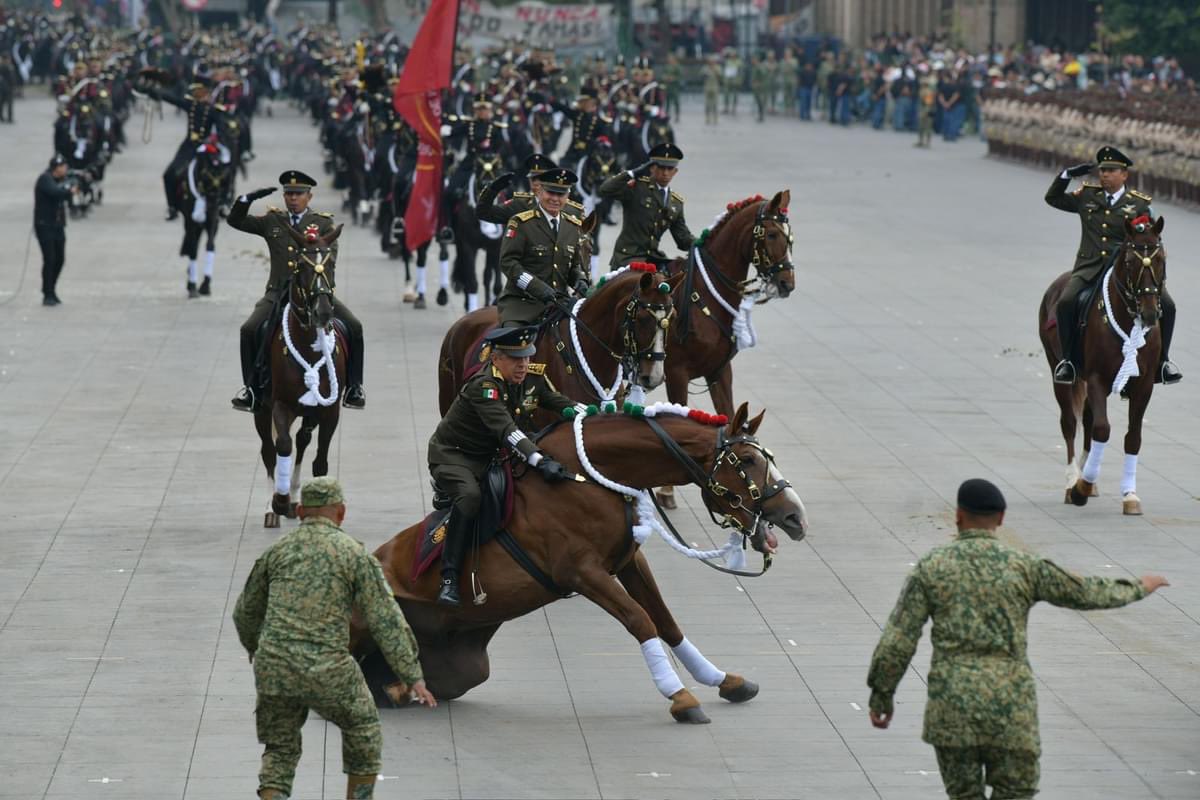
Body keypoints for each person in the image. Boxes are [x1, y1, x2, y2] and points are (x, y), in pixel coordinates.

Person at [866, 478, 1168, 800]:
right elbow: (1083, 592)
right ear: (1001, 518)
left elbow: (898, 639)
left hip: (953, 710)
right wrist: (1138, 587)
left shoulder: (932, 567)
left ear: (958, 515)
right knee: (1016, 793)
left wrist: (882, 695)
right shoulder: (1023, 566)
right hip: (1010, 709)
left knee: (963, 796)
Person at [233, 477, 437, 800]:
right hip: (329, 668)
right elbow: (386, 618)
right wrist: (412, 675)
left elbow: (244, 612)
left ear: (299, 511)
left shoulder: (276, 553)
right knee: (363, 727)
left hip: (276, 666)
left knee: (280, 748)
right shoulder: (354, 555)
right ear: (341, 513)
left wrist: (255, 647)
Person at [428, 326, 580, 605]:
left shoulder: (530, 378)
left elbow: (559, 402)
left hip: (492, 456)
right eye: (515, 360)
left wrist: (593, 414)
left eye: (526, 358)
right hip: (455, 456)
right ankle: (449, 578)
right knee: (470, 497)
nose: (523, 365)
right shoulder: (484, 387)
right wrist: (539, 459)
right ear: (496, 359)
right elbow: (507, 430)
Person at [226, 170, 368, 412]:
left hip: (315, 292)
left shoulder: (323, 224)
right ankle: (251, 390)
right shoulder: (274, 220)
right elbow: (236, 221)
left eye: (298, 194)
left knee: (354, 326)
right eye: (289, 194)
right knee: (249, 329)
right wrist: (245, 200)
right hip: (277, 293)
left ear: (309, 197)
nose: (293, 198)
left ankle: (354, 387)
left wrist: (322, 290)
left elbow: (329, 259)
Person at [1045, 146, 1180, 385]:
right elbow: (1053, 199)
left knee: (1168, 306)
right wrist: (1066, 175)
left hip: (1128, 270)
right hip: (1090, 266)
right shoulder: (1087, 196)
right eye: (1102, 170)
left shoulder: (1139, 205)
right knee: (1066, 302)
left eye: (1111, 170)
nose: (1104, 174)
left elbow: (1152, 239)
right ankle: (1068, 361)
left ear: (1124, 175)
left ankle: (1163, 363)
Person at [496, 167, 588, 327]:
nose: (555, 199)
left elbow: (573, 266)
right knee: (512, 346)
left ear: (568, 197)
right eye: (550, 193)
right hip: (523, 304)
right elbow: (508, 263)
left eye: (560, 194)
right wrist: (536, 287)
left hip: (560, 304)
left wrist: (580, 280)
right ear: (539, 192)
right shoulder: (521, 223)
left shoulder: (572, 226)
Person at [597, 141, 693, 271]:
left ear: (675, 171)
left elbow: (683, 239)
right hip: (627, 257)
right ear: (652, 168)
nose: (665, 173)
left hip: (653, 259)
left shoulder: (676, 203)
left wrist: (709, 241)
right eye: (661, 167)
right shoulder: (637, 188)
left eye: (669, 169)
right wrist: (632, 173)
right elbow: (605, 190)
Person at [34, 153, 77, 306]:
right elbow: (55, 192)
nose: (65, 169)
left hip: (58, 226)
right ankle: (47, 293)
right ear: (56, 168)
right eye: (63, 167)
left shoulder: (61, 180)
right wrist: (69, 190)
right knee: (50, 258)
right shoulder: (45, 179)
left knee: (60, 259)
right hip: (45, 226)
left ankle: (52, 288)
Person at [703, 56, 721, 126]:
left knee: (715, 104)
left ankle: (715, 118)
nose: (711, 62)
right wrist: (706, 74)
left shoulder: (718, 68)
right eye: (710, 61)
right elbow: (702, 76)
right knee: (707, 104)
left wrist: (715, 71)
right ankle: (707, 117)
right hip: (707, 87)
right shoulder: (705, 68)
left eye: (713, 61)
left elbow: (720, 77)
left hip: (715, 87)